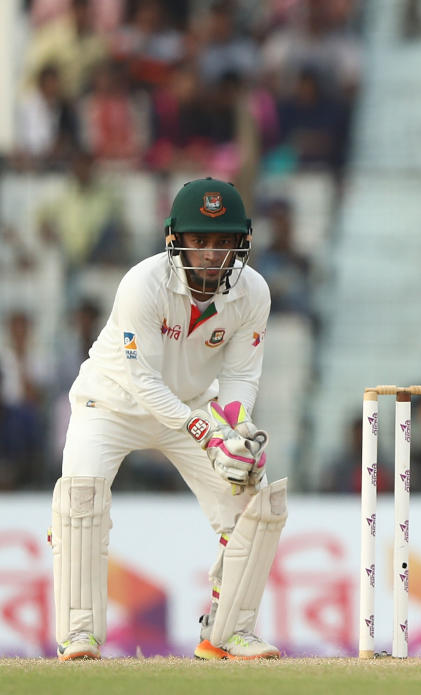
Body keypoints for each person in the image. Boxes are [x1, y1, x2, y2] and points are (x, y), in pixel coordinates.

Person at [50, 178, 286, 661]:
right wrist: (204, 430)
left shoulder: (253, 292)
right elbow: (143, 381)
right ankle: (80, 634)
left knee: (253, 501)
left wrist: (235, 430)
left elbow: (241, 377)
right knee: (80, 498)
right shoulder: (143, 283)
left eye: (223, 242)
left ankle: (228, 632)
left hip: (195, 402)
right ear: (175, 239)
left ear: (241, 243)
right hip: (112, 403)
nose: (211, 254)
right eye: (199, 240)